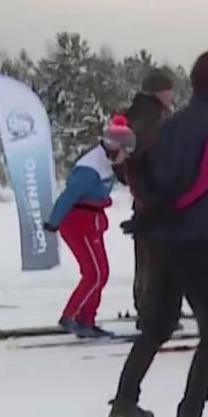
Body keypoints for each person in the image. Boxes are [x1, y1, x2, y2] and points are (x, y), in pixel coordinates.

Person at [111, 50, 208, 417]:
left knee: (158, 325)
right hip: (199, 237)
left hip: (162, 236)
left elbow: (142, 170)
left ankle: (123, 402)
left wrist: (151, 211)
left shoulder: (174, 123)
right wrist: (170, 209)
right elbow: (203, 180)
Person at [45, 116, 137, 339]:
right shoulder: (90, 168)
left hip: (91, 223)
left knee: (100, 273)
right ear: (115, 148)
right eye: (126, 152)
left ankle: (87, 320)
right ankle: (71, 315)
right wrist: (53, 222)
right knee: (94, 273)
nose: (126, 158)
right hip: (77, 223)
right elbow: (69, 195)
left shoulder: (106, 161)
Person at [119, 68, 176, 320]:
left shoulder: (136, 113)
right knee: (156, 259)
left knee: (145, 258)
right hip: (154, 196)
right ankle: (152, 313)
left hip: (142, 196)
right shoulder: (155, 117)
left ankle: (146, 307)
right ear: (161, 92)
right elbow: (145, 154)